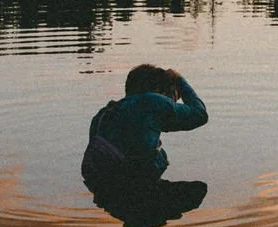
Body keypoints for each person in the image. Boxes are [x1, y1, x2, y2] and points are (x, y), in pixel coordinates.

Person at [82, 64, 208, 197]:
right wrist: (179, 80)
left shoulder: (103, 114)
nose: (173, 101)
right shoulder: (151, 101)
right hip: (136, 186)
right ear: (158, 90)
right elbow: (200, 115)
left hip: (100, 187)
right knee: (198, 192)